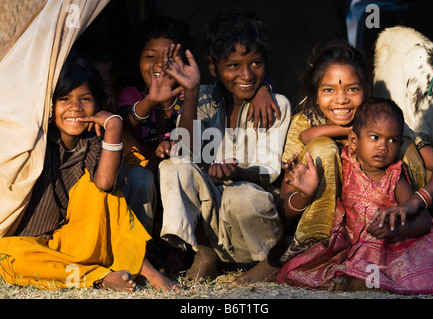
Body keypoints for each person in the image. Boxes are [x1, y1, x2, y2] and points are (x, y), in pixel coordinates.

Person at [0, 52, 178, 292]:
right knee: (8, 257)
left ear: (97, 103)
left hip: (77, 242)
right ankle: (100, 277)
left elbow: (105, 183)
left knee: (100, 187)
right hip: (30, 245)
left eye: (85, 98)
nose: (75, 107)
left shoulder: (95, 143)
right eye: (64, 98)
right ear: (50, 105)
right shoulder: (36, 140)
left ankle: (143, 268)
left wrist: (114, 127)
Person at [276, 40, 433, 265]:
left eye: (352, 89)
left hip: (386, 229)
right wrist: (305, 195)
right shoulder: (303, 124)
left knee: (404, 145)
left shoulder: (385, 122)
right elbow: (283, 210)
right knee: (323, 148)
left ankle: (402, 236)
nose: (341, 99)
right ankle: (318, 248)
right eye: (329, 90)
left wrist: (415, 201)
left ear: (366, 90)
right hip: (325, 235)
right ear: (315, 92)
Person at [155, 10, 291, 283]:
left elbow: (268, 172)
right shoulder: (202, 97)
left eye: (255, 63)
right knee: (172, 167)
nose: (246, 74)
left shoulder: (278, 105)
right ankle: (203, 252)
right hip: (209, 221)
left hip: (250, 219)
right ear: (213, 66)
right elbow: (185, 152)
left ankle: (266, 263)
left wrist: (235, 173)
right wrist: (191, 92)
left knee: (239, 196)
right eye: (233, 66)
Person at [115, 15, 278, 237]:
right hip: (142, 182)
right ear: (138, 59)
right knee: (140, 177)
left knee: (177, 167)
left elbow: (231, 88)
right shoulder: (133, 95)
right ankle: (139, 249)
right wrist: (151, 99)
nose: (159, 65)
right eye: (150, 56)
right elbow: (124, 123)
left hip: (181, 186)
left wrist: (263, 87)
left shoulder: (197, 97)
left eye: (170, 58)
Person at [276, 98, 433, 294]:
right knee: (304, 269)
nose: (383, 146)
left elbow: (425, 222)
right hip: (350, 243)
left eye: (392, 140)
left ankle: (362, 283)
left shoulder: (394, 177)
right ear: (353, 141)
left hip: (389, 245)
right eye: (375, 137)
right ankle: (364, 280)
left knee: (415, 265)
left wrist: (396, 228)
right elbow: (308, 136)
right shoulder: (345, 162)